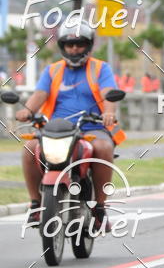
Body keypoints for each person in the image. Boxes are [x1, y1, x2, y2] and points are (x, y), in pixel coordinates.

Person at [15, 20, 125, 231]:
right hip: (56, 129)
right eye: (69, 44)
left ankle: (99, 209)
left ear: (88, 45)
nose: (74, 49)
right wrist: (27, 111)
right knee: (30, 148)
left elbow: (109, 94)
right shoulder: (52, 70)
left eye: (79, 44)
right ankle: (36, 204)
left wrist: (109, 112)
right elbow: (39, 95)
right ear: (62, 46)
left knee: (103, 148)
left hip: (91, 127)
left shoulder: (101, 68)